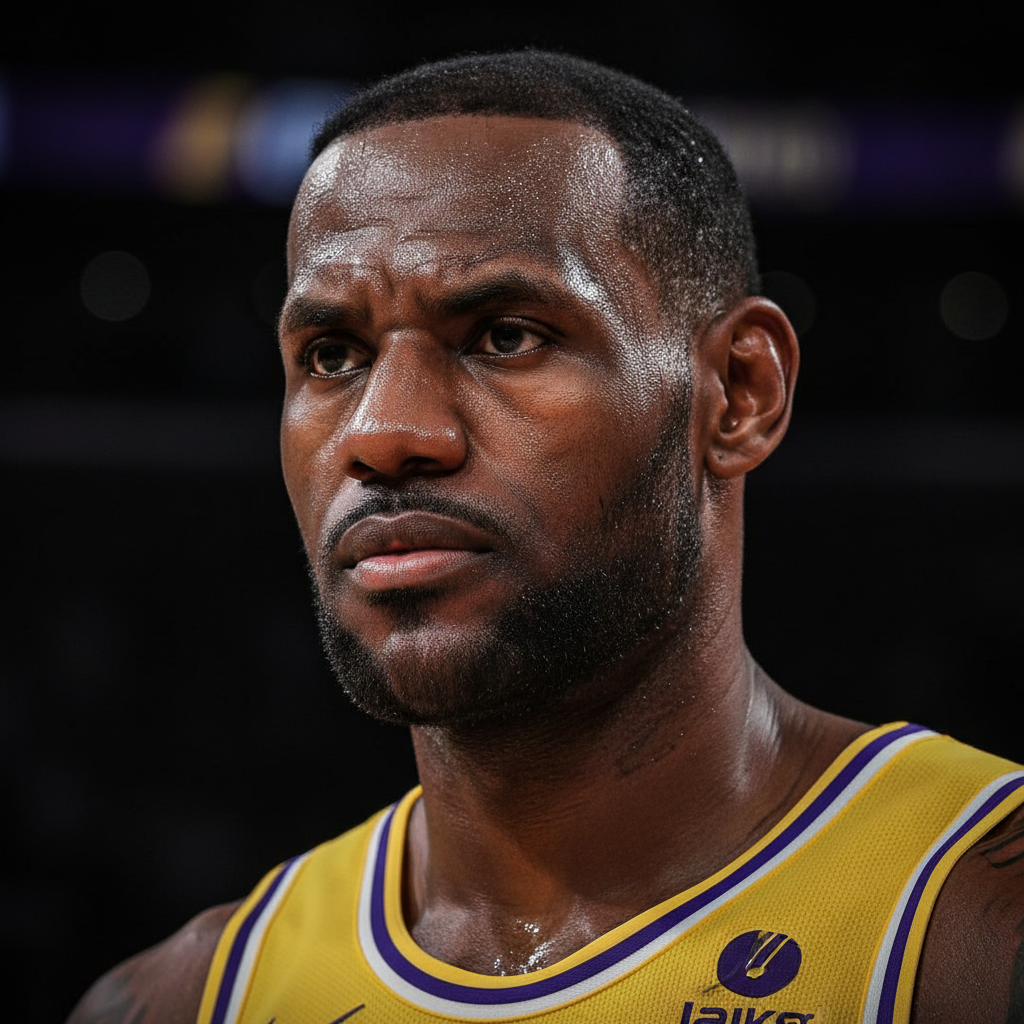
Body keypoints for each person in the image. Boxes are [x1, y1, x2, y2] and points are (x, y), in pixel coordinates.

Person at [69, 51, 1024, 1024]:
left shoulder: (979, 919)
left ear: (739, 392)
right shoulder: (186, 996)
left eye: (505, 335)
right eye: (332, 355)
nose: (384, 433)